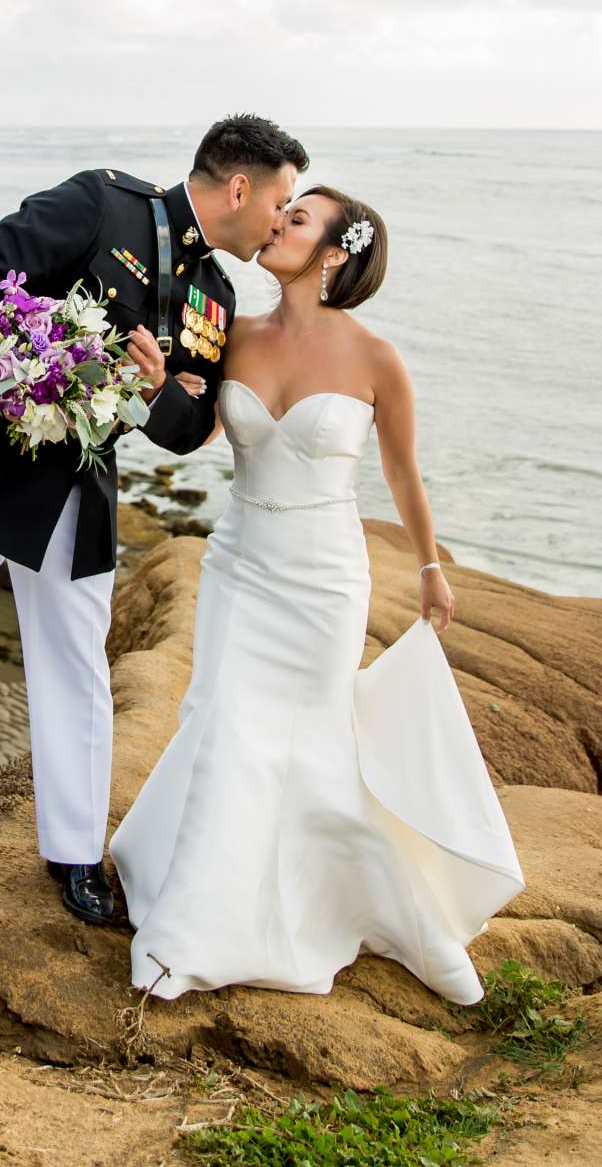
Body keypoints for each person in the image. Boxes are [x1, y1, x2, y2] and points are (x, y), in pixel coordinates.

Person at [0, 116, 311, 924]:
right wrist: (73, 362)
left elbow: (182, 431)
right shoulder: (102, 205)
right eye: (282, 200)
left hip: (80, 487)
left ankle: (74, 857)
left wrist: (152, 386)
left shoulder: (219, 297)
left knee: (76, 665)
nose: (282, 219)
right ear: (240, 188)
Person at [107, 186, 525, 1003]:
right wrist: (151, 388)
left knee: (308, 740)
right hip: (240, 562)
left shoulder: (376, 359)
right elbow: (192, 429)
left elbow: (402, 471)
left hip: (325, 577)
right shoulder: (232, 335)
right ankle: (200, 918)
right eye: (282, 210)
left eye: (297, 219)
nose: (277, 222)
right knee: (227, 724)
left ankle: (318, 900)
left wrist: (432, 567)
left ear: (334, 253)